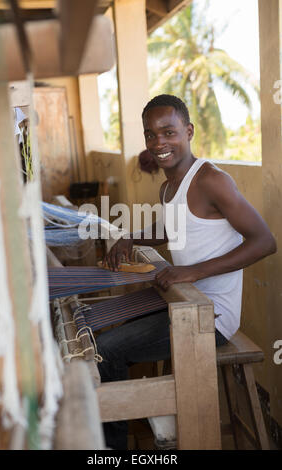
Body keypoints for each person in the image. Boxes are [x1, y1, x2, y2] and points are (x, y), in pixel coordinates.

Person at [97, 94, 277, 450]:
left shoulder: (211, 180)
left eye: (168, 132)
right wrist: (129, 238)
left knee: (105, 351)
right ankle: (148, 420)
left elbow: (264, 242)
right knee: (100, 328)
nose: (159, 143)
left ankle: (112, 450)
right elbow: (170, 230)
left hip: (210, 320)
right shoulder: (168, 187)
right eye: (151, 135)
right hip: (182, 305)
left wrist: (192, 271)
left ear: (189, 131)